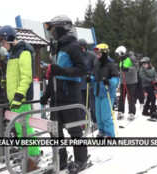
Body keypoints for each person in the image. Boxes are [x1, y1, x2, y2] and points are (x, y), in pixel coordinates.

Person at [41, 15, 88, 173]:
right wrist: (47, 94)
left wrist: (61, 71)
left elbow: (82, 70)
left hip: (69, 96)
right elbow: (53, 74)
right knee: (54, 131)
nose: (51, 32)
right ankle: (60, 159)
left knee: (74, 130)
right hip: (55, 98)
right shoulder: (57, 48)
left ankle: (81, 160)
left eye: (53, 29)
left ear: (61, 28)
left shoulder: (73, 46)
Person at [0, 25, 41, 172]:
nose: (2, 44)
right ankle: (25, 152)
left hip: (20, 98)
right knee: (18, 128)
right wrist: (7, 83)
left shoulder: (23, 52)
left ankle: (33, 154)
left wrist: (18, 95)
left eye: (3, 41)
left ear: (9, 37)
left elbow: (26, 77)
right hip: (14, 98)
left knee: (25, 128)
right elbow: (15, 76)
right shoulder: (12, 53)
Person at [87, 43, 119, 137]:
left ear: (104, 53)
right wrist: (91, 79)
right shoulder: (97, 64)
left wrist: (109, 82)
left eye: (99, 54)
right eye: (97, 54)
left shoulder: (111, 65)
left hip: (107, 93)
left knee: (106, 116)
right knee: (98, 115)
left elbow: (116, 79)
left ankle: (109, 134)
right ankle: (101, 131)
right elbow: (94, 76)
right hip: (97, 93)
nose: (97, 56)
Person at [116, 46, 139, 120]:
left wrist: (128, 69)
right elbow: (121, 70)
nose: (118, 56)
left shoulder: (132, 58)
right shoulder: (122, 59)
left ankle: (131, 112)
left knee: (130, 97)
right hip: (123, 81)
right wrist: (117, 73)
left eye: (119, 54)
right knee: (121, 97)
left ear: (122, 53)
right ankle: (120, 111)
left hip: (131, 82)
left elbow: (136, 68)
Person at [78, 39, 97, 126]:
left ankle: (95, 120)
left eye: (82, 47)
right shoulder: (77, 56)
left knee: (92, 105)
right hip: (80, 83)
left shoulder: (92, 55)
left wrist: (91, 74)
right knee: (82, 105)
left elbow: (96, 67)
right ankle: (83, 121)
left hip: (90, 83)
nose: (81, 49)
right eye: (79, 48)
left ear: (85, 47)